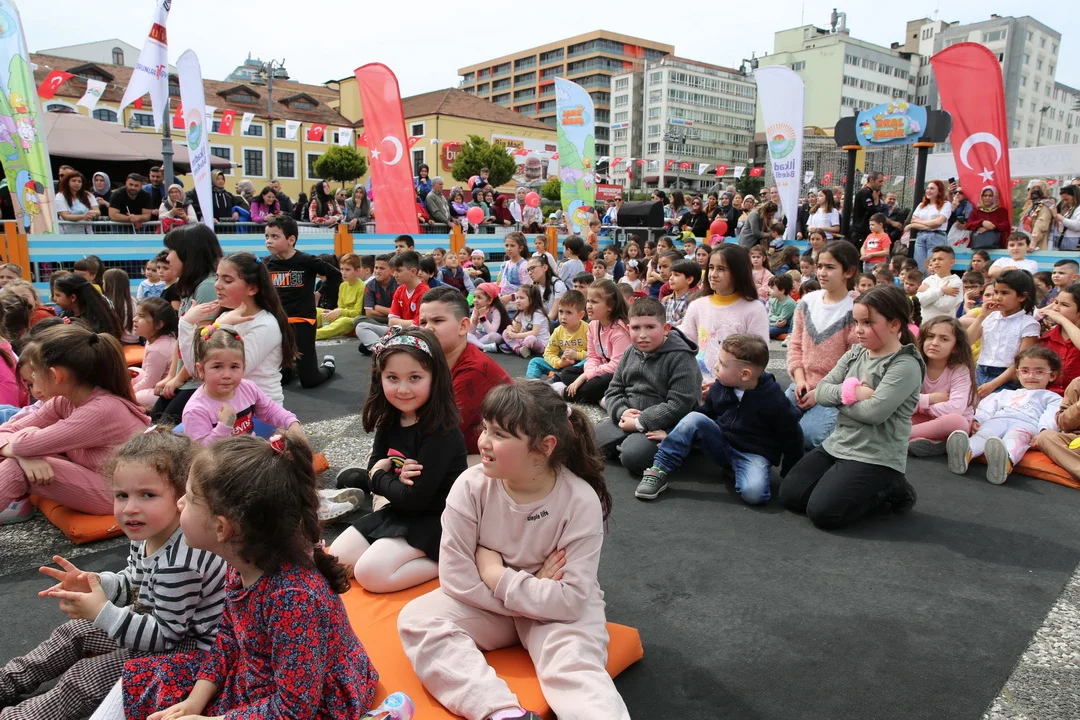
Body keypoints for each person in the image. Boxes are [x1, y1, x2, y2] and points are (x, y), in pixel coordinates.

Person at [398, 380, 629, 720]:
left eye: (500, 435)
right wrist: (530, 591)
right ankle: (501, 713)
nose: (483, 442)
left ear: (544, 447)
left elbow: (570, 600)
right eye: (485, 428)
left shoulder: (579, 500)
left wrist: (495, 574)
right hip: (511, 603)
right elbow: (456, 579)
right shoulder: (470, 486)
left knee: (575, 665)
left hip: (553, 613)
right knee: (418, 619)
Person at [118, 435, 380, 719]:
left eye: (191, 498)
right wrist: (194, 701)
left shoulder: (292, 599)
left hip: (313, 705)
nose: (180, 502)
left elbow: (295, 709)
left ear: (222, 528)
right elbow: (228, 636)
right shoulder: (242, 562)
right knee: (149, 680)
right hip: (259, 674)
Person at [2, 429, 225, 719]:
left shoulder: (180, 563)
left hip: (195, 654)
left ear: (183, 498)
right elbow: (135, 584)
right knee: (74, 632)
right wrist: (96, 584)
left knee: (88, 677)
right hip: (156, 627)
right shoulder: (147, 533)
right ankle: (7, 682)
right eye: (122, 495)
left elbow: (165, 637)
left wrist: (101, 612)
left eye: (147, 495)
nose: (130, 508)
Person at [329, 327, 466, 592]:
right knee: (337, 558)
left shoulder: (442, 433)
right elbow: (376, 468)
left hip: (437, 520)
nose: (403, 389)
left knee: (369, 574)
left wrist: (380, 476)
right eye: (392, 378)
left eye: (415, 377)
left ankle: (452, 560)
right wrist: (386, 479)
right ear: (379, 378)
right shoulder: (390, 418)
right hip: (399, 510)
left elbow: (411, 496)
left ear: (435, 377)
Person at [779, 284, 922, 529]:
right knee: (790, 495)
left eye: (868, 323)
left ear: (894, 324)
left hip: (875, 455)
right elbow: (822, 391)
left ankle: (890, 488)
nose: (858, 330)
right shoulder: (856, 353)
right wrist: (852, 392)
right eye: (856, 322)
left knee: (823, 513)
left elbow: (873, 413)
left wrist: (837, 400)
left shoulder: (904, 365)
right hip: (840, 443)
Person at [0, 324, 151, 524]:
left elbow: (22, 445)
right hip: (97, 478)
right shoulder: (64, 401)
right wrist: (24, 453)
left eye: (33, 377)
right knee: (20, 458)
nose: (31, 386)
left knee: (16, 468)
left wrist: (24, 448)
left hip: (121, 493)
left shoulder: (101, 410)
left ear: (55, 375)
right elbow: (7, 432)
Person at [637, 333, 802, 503]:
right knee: (694, 418)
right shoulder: (719, 388)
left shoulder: (774, 400)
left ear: (745, 374)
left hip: (752, 455)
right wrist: (673, 434)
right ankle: (659, 469)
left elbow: (792, 436)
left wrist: (791, 474)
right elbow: (704, 416)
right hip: (721, 445)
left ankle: (736, 471)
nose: (715, 367)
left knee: (755, 495)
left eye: (722, 364)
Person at [593, 296, 701, 477]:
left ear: (665, 329)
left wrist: (640, 423)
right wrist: (621, 412)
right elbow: (614, 389)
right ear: (629, 328)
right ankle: (625, 443)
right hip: (630, 416)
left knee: (633, 457)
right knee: (590, 441)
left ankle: (680, 444)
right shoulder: (630, 352)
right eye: (636, 328)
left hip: (665, 424)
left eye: (650, 327)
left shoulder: (681, 357)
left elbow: (679, 404)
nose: (642, 334)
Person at [413, 287, 511, 454]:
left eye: (437, 321)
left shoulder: (474, 369)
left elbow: (440, 432)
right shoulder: (436, 360)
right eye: (423, 323)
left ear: (463, 326)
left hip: (498, 456)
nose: (428, 328)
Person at [947, 346, 1062, 484]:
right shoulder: (1006, 393)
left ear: (1052, 375)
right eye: (1025, 371)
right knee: (984, 433)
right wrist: (978, 419)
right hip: (999, 419)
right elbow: (988, 406)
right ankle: (965, 453)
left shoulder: (1051, 397)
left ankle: (1004, 462)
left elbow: (1052, 414)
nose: (1031, 376)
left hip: (1027, 423)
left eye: (1039, 372)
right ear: (1017, 373)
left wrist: (1044, 431)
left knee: (1015, 438)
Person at [785, 240, 861, 448]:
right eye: (819, 266)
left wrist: (820, 394)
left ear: (849, 271)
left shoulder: (856, 309)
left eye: (830, 267)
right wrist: (800, 379)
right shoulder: (807, 302)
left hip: (836, 392)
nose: (822, 273)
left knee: (808, 435)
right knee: (769, 422)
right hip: (802, 384)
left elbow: (854, 364)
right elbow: (795, 346)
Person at [181, 326, 302, 446]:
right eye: (217, 367)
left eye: (234, 367)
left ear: (243, 367)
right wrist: (225, 425)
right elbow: (201, 451)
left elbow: (270, 411)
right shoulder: (195, 410)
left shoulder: (247, 388)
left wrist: (292, 423)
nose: (227, 375)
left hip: (249, 452)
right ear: (201, 370)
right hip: (221, 458)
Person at [264, 216, 339, 387]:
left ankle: (328, 365)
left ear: (291, 240)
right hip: (277, 322)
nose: (269, 241)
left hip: (303, 321)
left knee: (309, 380)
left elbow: (335, 275)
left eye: (275, 236)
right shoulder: (266, 264)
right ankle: (294, 368)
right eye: (267, 236)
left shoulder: (307, 260)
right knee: (281, 379)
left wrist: (320, 293)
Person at [679, 244, 769, 384]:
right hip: (697, 384)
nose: (713, 274)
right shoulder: (697, 306)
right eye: (711, 267)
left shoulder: (754, 309)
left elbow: (758, 357)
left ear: (738, 272)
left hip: (735, 386)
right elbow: (685, 347)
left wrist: (721, 385)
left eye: (721, 269)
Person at [906, 317, 978, 456]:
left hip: (947, 423)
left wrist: (922, 407)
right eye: (930, 336)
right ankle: (930, 442)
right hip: (921, 419)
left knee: (957, 422)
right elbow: (902, 401)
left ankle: (902, 435)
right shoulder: (914, 365)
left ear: (956, 347)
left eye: (944, 339)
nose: (934, 343)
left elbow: (955, 408)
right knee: (894, 414)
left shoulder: (960, 370)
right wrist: (930, 399)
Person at [551, 279, 630, 404]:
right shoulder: (593, 325)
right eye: (588, 301)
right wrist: (589, 373)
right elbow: (592, 356)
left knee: (596, 384)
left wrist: (585, 376)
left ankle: (565, 393)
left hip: (616, 374)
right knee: (566, 373)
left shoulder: (620, 330)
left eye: (594, 302)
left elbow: (617, 366)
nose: (588, 306)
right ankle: (599, 397)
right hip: (599, 370)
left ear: (610, 306)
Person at [966, 269, 1040, 396]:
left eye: (1005, 293)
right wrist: (982, 316)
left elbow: (1021, 361)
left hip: (1007, 378)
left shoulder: (1028, 324)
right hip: (980, 371)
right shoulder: (990, 317)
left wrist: (993, 384)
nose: (997, 298)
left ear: (1022, 296)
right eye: (996, 292)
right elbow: (967, 341)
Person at [357, 251, 429, 352]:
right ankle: (381, 350)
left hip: (415, 335)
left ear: (413, 271)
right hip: (397, 331)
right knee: (361, 326)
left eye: (398, 271)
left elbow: (418, 326)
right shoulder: (400, 290)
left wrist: (400, 323)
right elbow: (391, 321)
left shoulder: (425, 293)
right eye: (394, 271)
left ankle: (384, 347)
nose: (394, 274)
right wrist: (407, 323)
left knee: (413, 338)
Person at [526, 290, 587, 379]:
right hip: (563, 366)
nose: (563, 317)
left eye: (569, 312)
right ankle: (532, 385)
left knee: (588, 360)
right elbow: (548, 353)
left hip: (579, 367)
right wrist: (560, 363)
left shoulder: (588, 330)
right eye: (561, 311)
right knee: (535, 362)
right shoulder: (558, 331)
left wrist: (577, 355)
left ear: (580, 315)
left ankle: (560, 377)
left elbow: (595, 355)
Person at [130, 298, 178, 411]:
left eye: (141, 316)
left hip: (166, 392)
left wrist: (128, 393)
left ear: (159, 325)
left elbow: (150, 382)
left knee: (138, 397)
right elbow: (147, 373)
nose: (134, 319)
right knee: (132, 372)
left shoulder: (158, 349)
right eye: (136, 315)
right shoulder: (153, 340)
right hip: (155, 384)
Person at [50, 273, 124, 339]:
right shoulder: (65, 314)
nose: (54, 298)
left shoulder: (98, 320)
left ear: (73, 298)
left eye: (58, 295)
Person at [1038, 282, 1080, 394]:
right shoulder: (1047, 337)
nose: (1055, 308)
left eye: (1064, 305)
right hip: (1048, 397)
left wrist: (1062, 319)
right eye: (1056, 302)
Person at [316, 253, 367, 340]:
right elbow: (340, 306)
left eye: (347, 270)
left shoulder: (362, 287)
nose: (343, 273)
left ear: (357, 271)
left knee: (343, 321)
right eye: (342, 269)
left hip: (352, 320)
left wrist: (340, 311)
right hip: (341, 316)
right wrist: (333, 312)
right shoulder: (342, 285)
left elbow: (357, 313)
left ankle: (313, 335)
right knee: (317, 311)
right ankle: (297, 329)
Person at [907, 179, 952, 272]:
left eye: (932, 188)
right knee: (920, 267)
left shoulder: (946, 204)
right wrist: (929, 225)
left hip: (937, 236)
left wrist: (920, 221)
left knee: (933, 268)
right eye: (927, 188)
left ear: (939, 191)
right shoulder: (921, 205)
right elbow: (913, 223)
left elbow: (939, 222)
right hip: (921, 236)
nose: (928, 191)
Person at [915, 246, 963, 323]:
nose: (936, 262)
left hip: (944, 325)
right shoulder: (928, 280)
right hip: (924, 324)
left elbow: (945, 306)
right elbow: (919, 301)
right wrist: (941, 291)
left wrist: (928, 291)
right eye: (934, 260)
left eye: (940, 259)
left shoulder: (956, 282)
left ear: (952, 262)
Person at [502, 284, 549, 358]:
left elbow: (534, 333)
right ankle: (518, 349)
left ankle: (516, 347)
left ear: (532, 299)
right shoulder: (521, 313)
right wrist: (510, 328)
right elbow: (516, 330)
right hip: (524, 340)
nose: (518, 301)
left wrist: (516, 336)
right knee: (505, 333)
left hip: (539, 343)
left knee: (530, 339)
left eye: (521, 298)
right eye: (517, 298)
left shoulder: (537, 313)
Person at [356, 253, 397, 329]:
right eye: (376, 268)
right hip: (380, 319)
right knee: (358, 320)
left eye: (382, 268)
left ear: (391, 271)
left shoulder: (398, 283)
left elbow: (400, 312)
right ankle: (388, 329)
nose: (377, 271)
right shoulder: (370, 285)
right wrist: (390, 312)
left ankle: (384, 329)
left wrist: (378, 308)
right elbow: (369, 313)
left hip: (397, 320)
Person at [470, 282, 511, 351]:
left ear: (489, 301)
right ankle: (482, 346)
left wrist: (482, 317)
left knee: (493, 336)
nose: (475, 300)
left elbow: (491, 332)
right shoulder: (476, 309)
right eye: (474, 297)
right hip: (483, 335)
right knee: (467, 335)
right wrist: (475, 317)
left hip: (498, 336)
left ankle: (473, 345)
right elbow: (471, 331)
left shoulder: (496, 310)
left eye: (479, 297)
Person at [103, 268, 139, 344]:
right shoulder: (133, 299)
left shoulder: (112, 303)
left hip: (123, 340)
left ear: (109, 284)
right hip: (135, 338)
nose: (102, 284)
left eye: (103, 282)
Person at [497, 232, 531, 304]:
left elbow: (527, 288)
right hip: (503, 302)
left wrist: (510, 297)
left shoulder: (524, 265)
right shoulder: (504, 265)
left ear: (520, 248)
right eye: (506, 245)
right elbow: (502, 284)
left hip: (518, 304)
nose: (508, 248)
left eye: (512, 246)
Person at [1021, 181, 1055, 250]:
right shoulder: (1032, 206)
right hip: (1026, 241)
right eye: (1033, 189)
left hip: (1036, 245)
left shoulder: (1045, 206)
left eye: (1038, 190)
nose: (1034, 192)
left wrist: (1033, 243)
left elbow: (1041, 225)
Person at [767, 274, 796, 339]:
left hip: (786, 326)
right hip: (774, 324)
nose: (769, 290)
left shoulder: (789, 303)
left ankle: (786, 336)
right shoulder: (773, 299)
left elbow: (781, 320)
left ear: (782, 290)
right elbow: (770, 314)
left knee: (770, 331)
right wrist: (772, 321)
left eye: (772, 288)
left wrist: (770, 320)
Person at [1054, 185, 1080, 251]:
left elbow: (1078, 226)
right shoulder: (1069, 208)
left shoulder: (1078, 208)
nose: (1065, 202)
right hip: (1066, 241)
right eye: (1063, 200)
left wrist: (1062, 219)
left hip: (1074, 242)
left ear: (1074, 196)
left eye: (1066, 199)